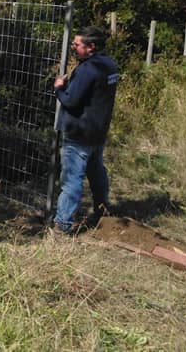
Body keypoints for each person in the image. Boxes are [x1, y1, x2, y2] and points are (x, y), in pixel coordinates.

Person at [53, 26, 120, 233]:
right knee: (96, 171)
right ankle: (102, 208)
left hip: (79, 133)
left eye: (76, 44)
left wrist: (59, 87)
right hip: (97, 131)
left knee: (72, 178)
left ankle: (63, 224)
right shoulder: (109, 65)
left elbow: (71, 101)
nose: (73, 47)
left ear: (90, 47)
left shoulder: (88, 69)